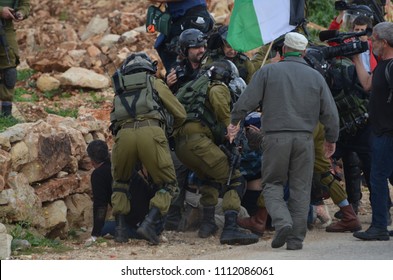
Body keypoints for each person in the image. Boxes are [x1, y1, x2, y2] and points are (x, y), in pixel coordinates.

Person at [228, 32, 340, 250]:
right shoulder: (316, 77)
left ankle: (282, 222)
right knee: (300, 188)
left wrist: (234, 120)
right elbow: (330, 113)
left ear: (284, 49)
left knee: (272, 184)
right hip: (305, 140)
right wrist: (331, 138)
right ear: (305, 52)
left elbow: (246, 101)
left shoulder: (268, 71)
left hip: (275, 138)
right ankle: (296, 239)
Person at [174, 59, 259, 245]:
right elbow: (224, 113)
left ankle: (208, 224)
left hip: (182, 147)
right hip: (199, 143)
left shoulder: (191, 88)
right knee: (235, 178)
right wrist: (233, 132)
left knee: (210, 178)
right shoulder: (217, 87)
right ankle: (230, 228)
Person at [109, 52, 186, 245]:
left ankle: (120, 231)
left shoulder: (120, 89)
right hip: (151, 133)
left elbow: (114, 121)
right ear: (148, 69)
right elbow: (180, 114)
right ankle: (149, 224)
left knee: (120, 182)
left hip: (123, 136)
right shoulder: (155, 83)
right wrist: (167, 130)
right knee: (168, 185)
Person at [352, 22, 393, 241]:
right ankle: (379, 224)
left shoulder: (392, 66)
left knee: (377, 179)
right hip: (381, 132)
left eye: (374, 40)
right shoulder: (382, 65)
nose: (371, 43)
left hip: (388, 134)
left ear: (384, 42)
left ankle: (378, 226)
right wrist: (357, 59)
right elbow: (367, 84)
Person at [85, 140, 153, 245]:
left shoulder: (98, 174)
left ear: (92, 160)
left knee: (105, 228)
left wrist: (96, 234)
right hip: (153, 221)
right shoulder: (120, 165)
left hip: (137, 226)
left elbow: (100, 206)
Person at [149, 0, 214, 72]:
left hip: (193, 14)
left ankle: (197, 77)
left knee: (190, 47)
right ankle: (177, 77)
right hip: (179, 17)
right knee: (162, 45)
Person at [0, 1, 30, 117]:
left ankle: (6, 112)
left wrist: (21, 12)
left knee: (9, 69)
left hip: (5, 28)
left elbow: (25, 4)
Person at [165, 28, 207, 94]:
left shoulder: (211, 65)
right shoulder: (177, 71)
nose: (202, 50)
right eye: (196, 47)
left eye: (203, 46)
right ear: (185, 50)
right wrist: (168, 85)